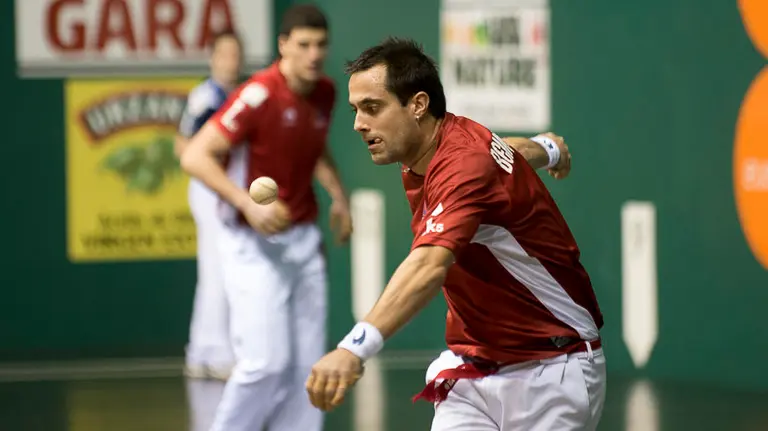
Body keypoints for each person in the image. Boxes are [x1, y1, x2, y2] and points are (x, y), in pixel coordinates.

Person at [306, 37, 605, 431]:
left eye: (372, 108)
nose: (359, 123)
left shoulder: (464, 165)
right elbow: (507, 150)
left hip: (551, 369)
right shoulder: (438, 145)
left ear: (417, 105)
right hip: (475, 369)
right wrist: (548, 148)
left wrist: (354, 349)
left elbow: (430, 264)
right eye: (356, 109)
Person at [180, 4, 351, 431]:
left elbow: (314, 149)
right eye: (304, 45)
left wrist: (339, 196)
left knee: (310, 369)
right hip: (252, 246)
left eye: (321, 45)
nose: (314, 54)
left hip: (304, 241)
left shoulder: (326, 92)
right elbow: (197, 155)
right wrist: (245, 201)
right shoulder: (257, 94)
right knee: (265, 363)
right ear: (283, 46)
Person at [176, 29, 243, 381]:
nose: (231, 61)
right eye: (225, 54)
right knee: (219, 272)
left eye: (236, 54)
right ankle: (216, 354)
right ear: (213, 58)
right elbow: (182, 146)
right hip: (209, 192)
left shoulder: (239, 96)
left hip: (229, 192)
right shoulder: (205, 97)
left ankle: (200, 351)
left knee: (220, 273)